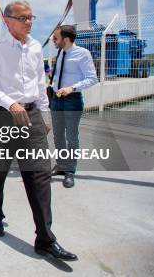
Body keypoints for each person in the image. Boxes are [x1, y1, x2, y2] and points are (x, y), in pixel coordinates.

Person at [0, 0, 78, 261]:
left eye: (31, 17)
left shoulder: (36, 46)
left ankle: (45, 239)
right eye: (24, 18)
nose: (29, 22)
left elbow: (40, 83)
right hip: (4, 114)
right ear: (8, 20)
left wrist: (44, 114)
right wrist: (11, 103)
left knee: (39, 175)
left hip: (33, 115)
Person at [50, 24, 98, 187]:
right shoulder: (60, 52)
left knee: (71, 137)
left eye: (56, 38)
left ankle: (70, 170)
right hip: (56, 99)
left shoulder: (83, 54)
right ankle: (61, 165)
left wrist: (72, 88)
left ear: (66, 39)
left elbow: (92, 78)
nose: (53, 40)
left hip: (72, 100)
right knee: (57, 135)